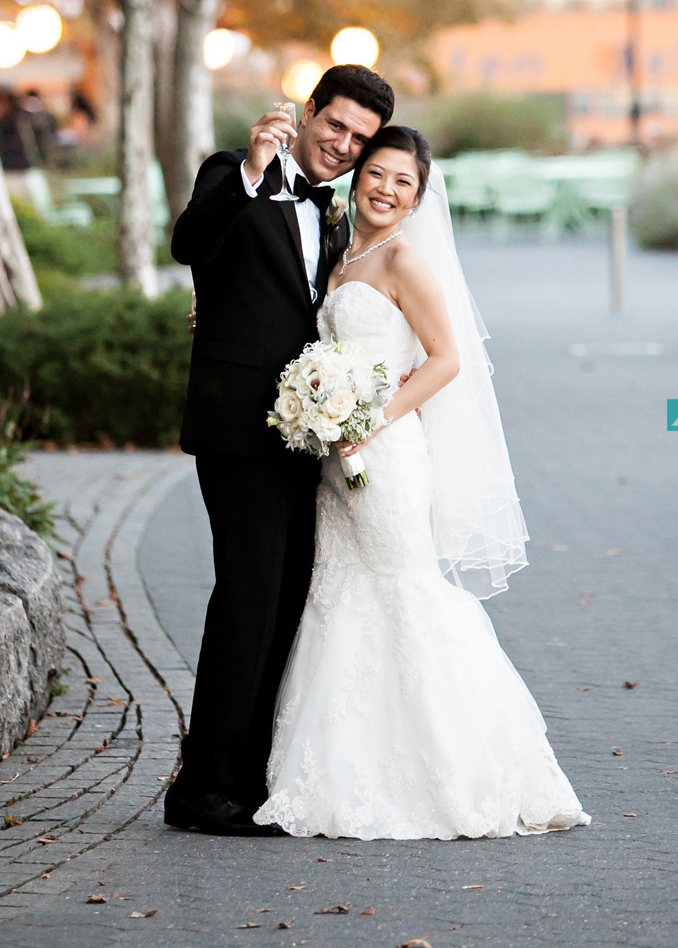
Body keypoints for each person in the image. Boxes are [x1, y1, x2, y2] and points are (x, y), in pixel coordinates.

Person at [254, 126, 590, 838]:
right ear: (359, 176)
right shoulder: (344, 252)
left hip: (386, 454)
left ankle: (462, 766)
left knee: (405, 593)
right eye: (376, 173)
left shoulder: (406, 258)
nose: (385, 189)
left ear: (418, 195)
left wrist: (370, 419)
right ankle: (348, 769)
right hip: (334, 460)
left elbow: (445, 359)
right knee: (341, 595)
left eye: (402, 181)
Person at [164, 64, 395, 836]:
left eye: (359, 140)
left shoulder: (332, 215)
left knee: (286, 600)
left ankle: (250, 777)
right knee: (247, 599)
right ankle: (201, 790)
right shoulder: (235, 173)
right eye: (335, 126)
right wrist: (256, 170)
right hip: (236, 429)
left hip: (302, 431)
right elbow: (189, 242)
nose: (343, 146)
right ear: (307, 114)